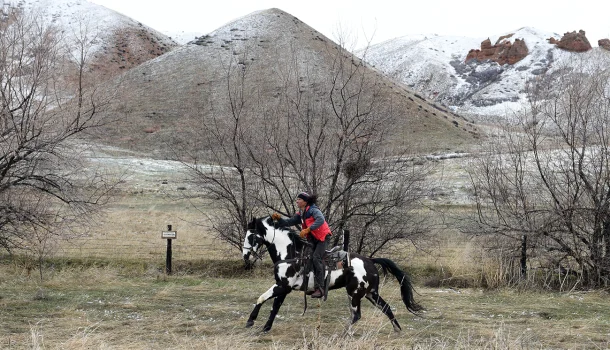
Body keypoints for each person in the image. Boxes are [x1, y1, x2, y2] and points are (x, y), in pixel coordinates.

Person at [272, 192, 331, 298]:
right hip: (313, 238)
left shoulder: (313, 210)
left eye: (299, 199)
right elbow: (290, 221)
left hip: (323, 237)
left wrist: (308, 229)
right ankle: (310, 285)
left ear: (305, 201)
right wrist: (279, 219)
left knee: (316, 258)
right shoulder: (301, 213)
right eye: (297, 199)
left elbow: (321, 220)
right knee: (307, 258)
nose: (297, 201)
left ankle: (320, 288)